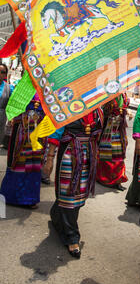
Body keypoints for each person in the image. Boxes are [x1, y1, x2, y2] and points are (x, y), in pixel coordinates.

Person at [42, 108, 104, 259]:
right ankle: (72, 237)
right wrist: (49, 158)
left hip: (88, 152)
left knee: (79, 195)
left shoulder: (98, 110)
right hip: (70, 152)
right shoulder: (68, 106)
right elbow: (56, 133)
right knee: (69, 194)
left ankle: (57, 215)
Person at [0, 94, 46, 208]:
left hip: (39, 134)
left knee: (34, 165)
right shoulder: (23, 88)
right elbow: (13, 109)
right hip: (22, 131)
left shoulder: (47, 89)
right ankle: (10, 196)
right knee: (18, 163)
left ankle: (29, 199)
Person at [96, 93, 131, 191]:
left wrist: (126, 112)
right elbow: (103, 111)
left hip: (119, 129)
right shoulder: (108, 94)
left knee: (119, 156)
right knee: (106, 154)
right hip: (109, 128)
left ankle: (118, 180)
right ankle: (104, 178)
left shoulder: (124, 96)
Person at [0, 63, 14, 148]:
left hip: (2, 119)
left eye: (2, 72)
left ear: (5, 74)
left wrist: (12, 117)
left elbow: (13, 104)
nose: (0, 74)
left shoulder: (9, 88)